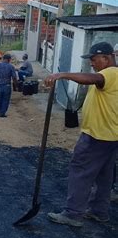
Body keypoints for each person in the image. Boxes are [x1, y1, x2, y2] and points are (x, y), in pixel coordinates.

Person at [45, 42, 117, 227]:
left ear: (106, 58)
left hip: (96, 136)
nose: (92, 64)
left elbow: (90, 78)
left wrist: (62, 74)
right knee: (104, 176)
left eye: (94, 60)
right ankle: (99, 211)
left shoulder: (109, 73)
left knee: (81, 171)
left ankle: (73, 213)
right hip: (110, 136)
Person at [0, 53, 17, 118]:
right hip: (7, 86)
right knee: (5, 100)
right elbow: (14, 77)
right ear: (9, 59)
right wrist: (15, 85)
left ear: (3, 58)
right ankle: (2, 113)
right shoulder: (11, 67)